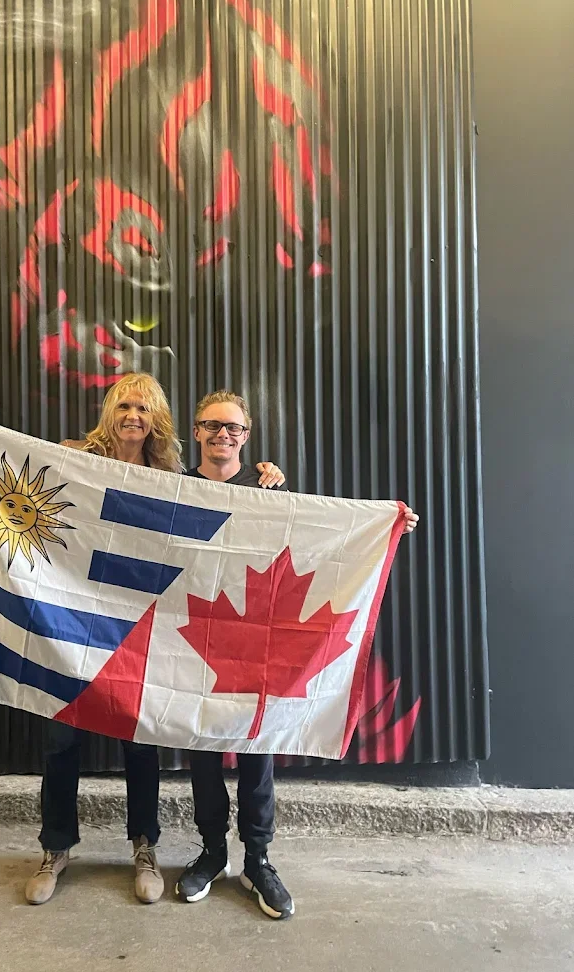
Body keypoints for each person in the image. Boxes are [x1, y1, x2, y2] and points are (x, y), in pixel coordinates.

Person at [0, 373, 286, 907]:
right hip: (72, 622)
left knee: (146, 742)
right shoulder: (74, 457)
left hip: (143, 627)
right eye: (124, 406)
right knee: (61, 739)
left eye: (143, 408)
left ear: (158, 418)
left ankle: (149, 847)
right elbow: (11, 466)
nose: (132, 416)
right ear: (110, 411)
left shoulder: (171, 474)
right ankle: (57, 848)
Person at [174, 390, 419, 920]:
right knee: (203, 752)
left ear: (248, 433)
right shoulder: (175, 488)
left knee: (259, 751)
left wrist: (387, 524)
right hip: (197, 639)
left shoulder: (271, 491)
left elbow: (321, 536)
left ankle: (257, 860)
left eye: (234, 428)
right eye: (213, 426)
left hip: (259, 643)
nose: (224, 435)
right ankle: (212, 852)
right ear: (196, 431)